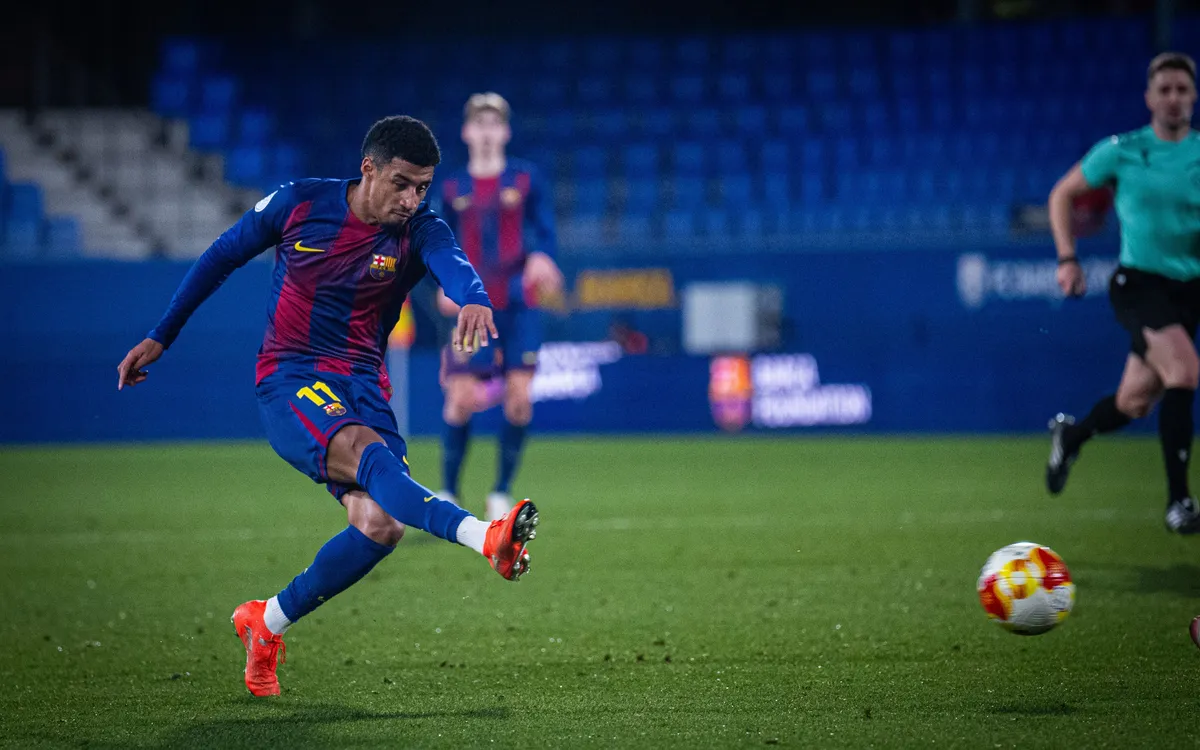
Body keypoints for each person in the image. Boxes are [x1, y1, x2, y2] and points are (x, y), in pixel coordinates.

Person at [116, 116, 541, 697]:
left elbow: (454, 264)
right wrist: (161, 334)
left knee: (380, 523)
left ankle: (264, 623)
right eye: (402, 183)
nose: (413, 199)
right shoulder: (298, 204)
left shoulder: (420, 229)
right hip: (292, 376)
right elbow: (221, 255)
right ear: (368, 168)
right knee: (371, 460)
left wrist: (473, 298)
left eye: (423, 187)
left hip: (364, 384)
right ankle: (483, 537)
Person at [1045, 52, 1200, 534]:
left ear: (1194, 97)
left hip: (1188, 290)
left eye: (1182, 89)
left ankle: (1072, 436)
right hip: (1139, 284)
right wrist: (1068, 258)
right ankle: (1180, 502)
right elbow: (1061, 194)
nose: (1174, 98)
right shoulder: (1122, 150)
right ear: (1149, 98)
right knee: (1185, 370)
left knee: (1134, 401)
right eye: (1165, 90)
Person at [433, 92, 564, 521]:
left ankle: (500, 491)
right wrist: (443, 282)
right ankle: (449, 492)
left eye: (495, 124)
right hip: (473, 306)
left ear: (505, 131)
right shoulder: (453, 188)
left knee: (520, 399)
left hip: (519, 303)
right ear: (467, 132)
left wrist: (544, 256)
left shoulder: (527, 179)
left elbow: (546, 229)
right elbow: (437, 243)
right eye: (480, 123)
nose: (487, 131)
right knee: (460, 398)